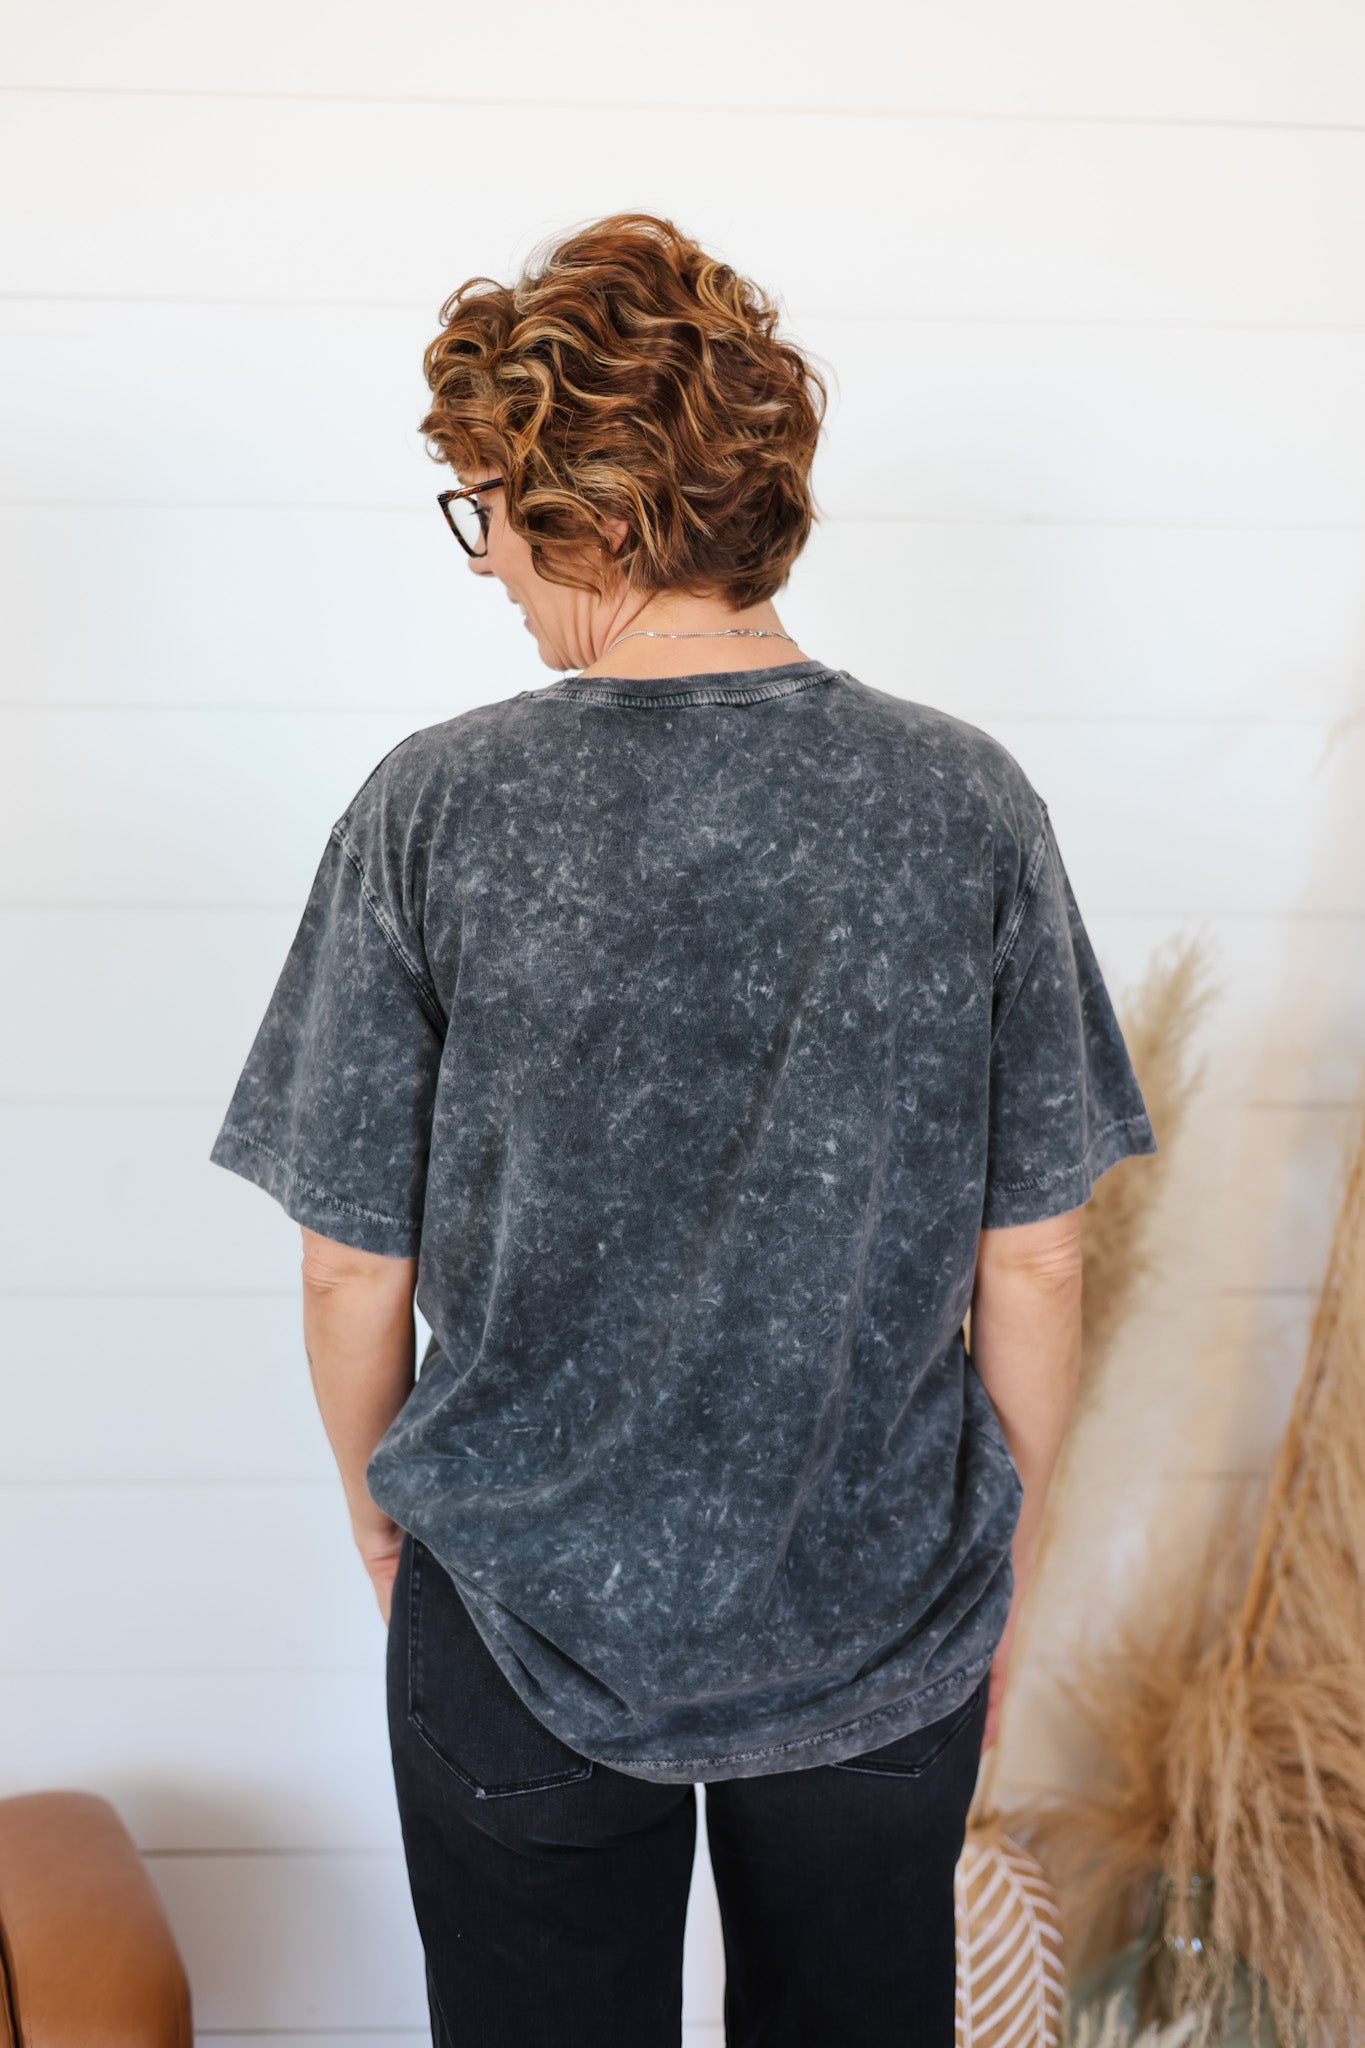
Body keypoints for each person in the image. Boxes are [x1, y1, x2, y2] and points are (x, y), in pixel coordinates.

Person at [209, 212, 1157, 2048]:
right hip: (886, 1611)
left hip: (510, 1613)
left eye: (491, 507)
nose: (486, 559)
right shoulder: (961, 801)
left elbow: (347, 1267)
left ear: (596, 510)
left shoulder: (437, 807)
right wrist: (1010, 1561)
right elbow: (1037, 1255)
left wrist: (384, 1530)